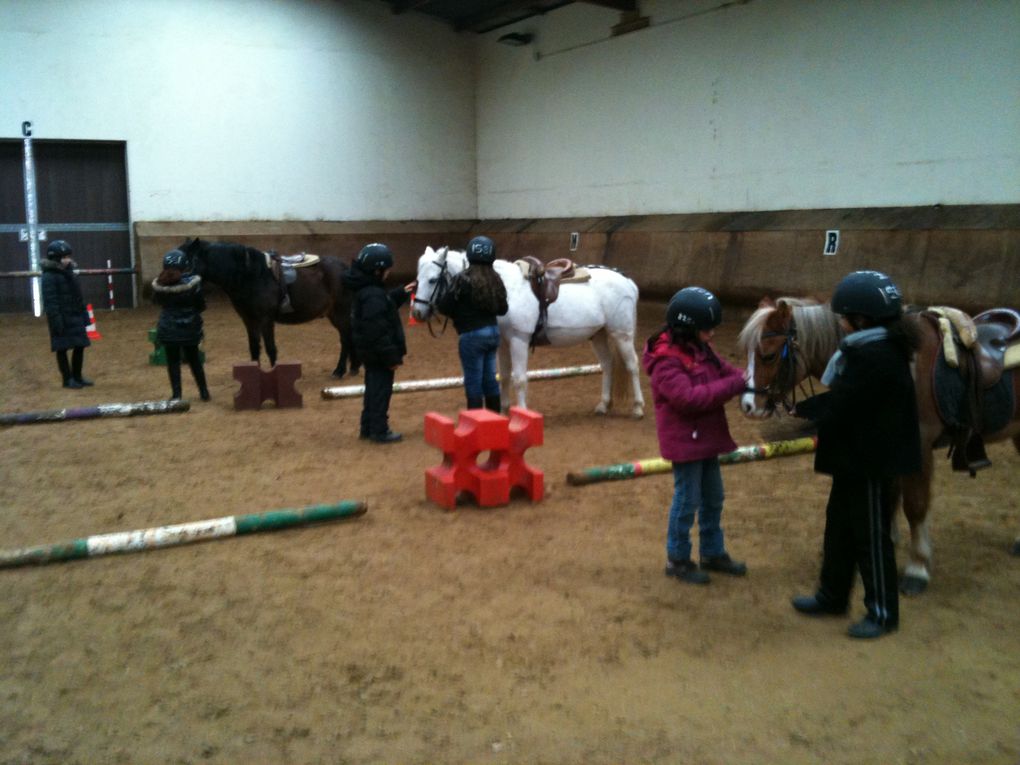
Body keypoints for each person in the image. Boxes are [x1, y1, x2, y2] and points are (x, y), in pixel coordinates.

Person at [791, 270, 921, 639]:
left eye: (843, 317)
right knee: (840, 528)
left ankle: (882, 612)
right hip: (853, 460)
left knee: (871, 536)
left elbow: (846, 403)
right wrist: (805, 410)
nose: (840, 323)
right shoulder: (868, 348)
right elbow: (844, 398)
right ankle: (832, 594)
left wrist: (802, 416)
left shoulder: (877, 355)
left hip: (870, 463)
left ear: (860, 319)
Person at [642, 286, 749, 585]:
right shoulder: (666, 360)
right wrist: (736, 386)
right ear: (687, 328)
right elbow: (688, 399)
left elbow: (725, 370)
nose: (712, 334)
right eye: (707, 329)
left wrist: (747, 378)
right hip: (685, 442)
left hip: (706, 437)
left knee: (714, 497)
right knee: (687, 500)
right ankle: (677, 558)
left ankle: (712, 552)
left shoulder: (699, 348)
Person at [342, 243, 414, 443]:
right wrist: (391, 356)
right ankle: (379, 430)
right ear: (377, 270)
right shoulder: (374, 295)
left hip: (369, 353)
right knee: (381, 391)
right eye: (387, 270)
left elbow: (384, 306)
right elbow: (378, 330)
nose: (389, 274)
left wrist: (400, 293)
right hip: (378, 354)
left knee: (373, 389)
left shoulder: (368, 291)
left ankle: (368, 426)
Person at [436, 235, 508, 412]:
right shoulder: (496, 279)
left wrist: (461, 313)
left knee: (473, 382)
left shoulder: (462, 279)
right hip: (492, 333)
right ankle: (494, 420)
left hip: (471, 335)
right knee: (490, 380)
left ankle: (476, 423)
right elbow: (502, 309)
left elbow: (444, 306)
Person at [151, 249, 210, 401]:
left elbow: (156, 301)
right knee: (195, 360)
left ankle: (177, 395)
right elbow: (201, 306)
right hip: (190, 328)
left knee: (173, 362)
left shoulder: (160, 285)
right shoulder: (194, 284)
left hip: (169, 328)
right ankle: (204, 392)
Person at [40, 239, 93, 389]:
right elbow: (51, 301)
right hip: (61, 317)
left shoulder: (70, 273)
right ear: (56, 258)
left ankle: (78, 376)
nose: (67, 259)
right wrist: (56, 319)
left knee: (80, 346)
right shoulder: (49, 277)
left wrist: (84, 315)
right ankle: (67, 379)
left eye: (68, 256)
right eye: (64, 257)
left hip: (75, 315)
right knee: (62, 348)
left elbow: (78, 296)